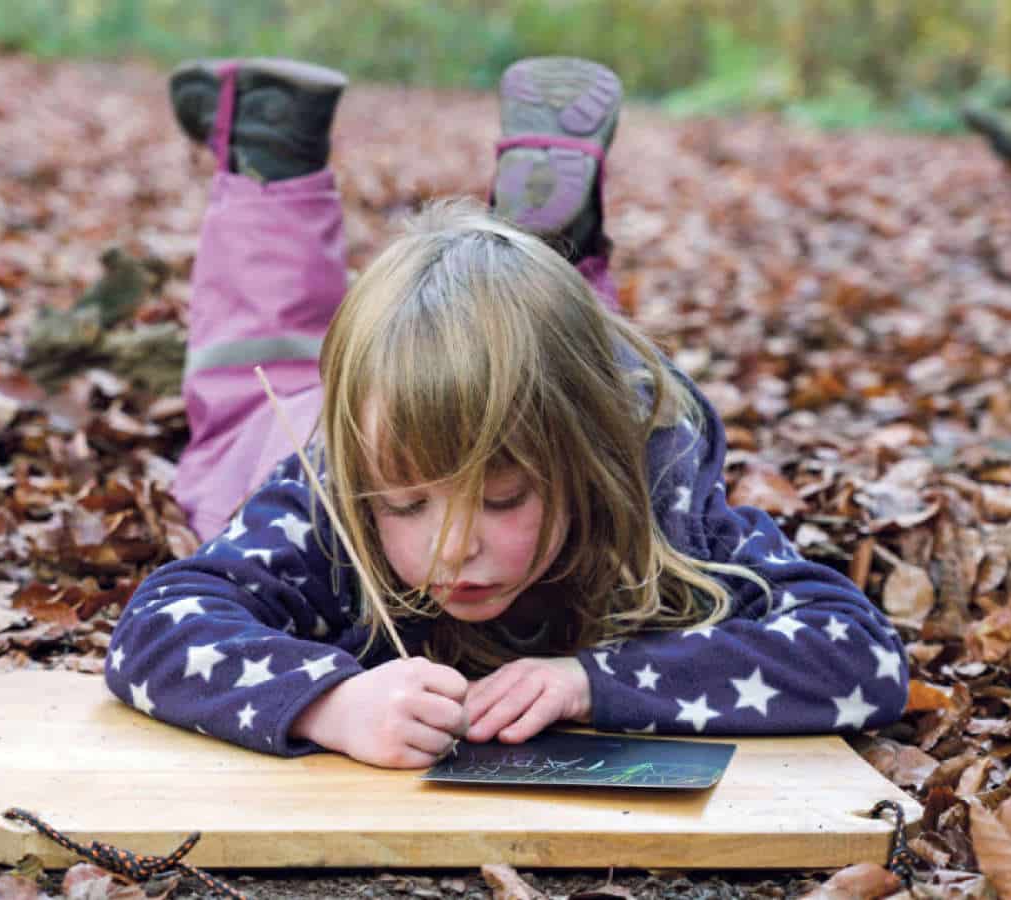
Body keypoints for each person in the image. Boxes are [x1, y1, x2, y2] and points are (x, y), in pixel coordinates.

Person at [105, 56, 908, 769]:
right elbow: (157, 624)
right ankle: (495, 228)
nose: (455, 547)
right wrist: (329, 702)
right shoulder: (337, 487)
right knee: (263, 388)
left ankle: (272, 170)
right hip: (342, 416)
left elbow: (861, 653)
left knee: (545, 372)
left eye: (501, 499)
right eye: (411, 504)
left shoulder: (648, 490)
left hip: (564, 412)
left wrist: (595, 684)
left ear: (586, 469)